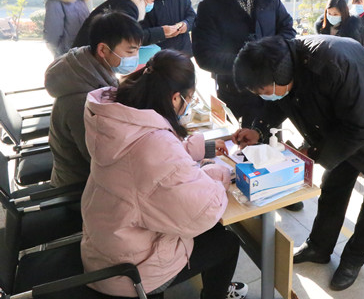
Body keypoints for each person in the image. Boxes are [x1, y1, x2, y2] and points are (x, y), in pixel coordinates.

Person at [231, 35, 364, 291]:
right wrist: (258, 129)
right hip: (347, 126)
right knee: (333, 187)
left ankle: (353, 260)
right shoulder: (286, 64)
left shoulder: (333, 62)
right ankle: (319, 247)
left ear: (280, 75)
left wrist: (313, 152)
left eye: (263, 91)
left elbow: (361, 127)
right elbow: (282, 101)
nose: (264, 97)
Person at [81, 49, 248, 299]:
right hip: (131, 272)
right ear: (175, 98)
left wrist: (201, 148)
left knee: (212, 233)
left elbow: (149, 157)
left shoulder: (118, 117)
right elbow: (206, 209)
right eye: (189, 99)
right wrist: (218, 174)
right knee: (226, 242)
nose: (188, 105)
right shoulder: (155, 145)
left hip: (105, 247)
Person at [192, 0, 296, 128]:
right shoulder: (209, 8)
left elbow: (287, 29)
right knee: (238, 140)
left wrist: (271, 57)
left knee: (271, 138)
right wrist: (247, 64)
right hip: (234, 91)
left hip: (270, 88)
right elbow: (205, 56)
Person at [45, 10, 143, 187]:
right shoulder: (81, 101)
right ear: (103, 50)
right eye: (130, 51)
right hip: (79, 187)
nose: (135, 58)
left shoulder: (89, 69)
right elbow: (102, 160)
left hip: (91, 175)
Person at [71, 0, 166, 48]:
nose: (152, 4)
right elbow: (130, 37)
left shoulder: (120, 2)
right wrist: (162, 32)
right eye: (152, 0)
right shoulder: (127, 7)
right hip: (88, 56)